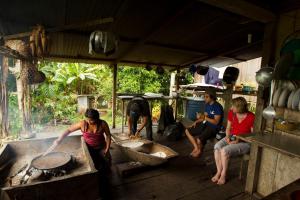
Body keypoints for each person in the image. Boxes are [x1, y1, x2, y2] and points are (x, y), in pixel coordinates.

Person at [52, 108, 111, 199]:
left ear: (97, 118)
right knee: (93, 166)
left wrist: (107, 149)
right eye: (88, 119)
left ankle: (106, 182)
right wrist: (59, 140)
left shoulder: (103, 124)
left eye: (92, 120)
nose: (89, 122)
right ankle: (95, 186)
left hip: (101, 147)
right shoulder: (82, 123)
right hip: (89, 148)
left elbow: (108, 135)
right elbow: (68, 130)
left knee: (107, 163)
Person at [212, 97, 255, 185]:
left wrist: (239, 139)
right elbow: (228, 128)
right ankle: (219, 171)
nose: (231, 108)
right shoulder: (232, 113)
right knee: (217, 147)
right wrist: (227, 137)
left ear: (239, 107)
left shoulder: (251, 117)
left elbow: (252, 136)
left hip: (245, 142)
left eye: (233, 106)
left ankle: (223, 175)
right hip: (232, 136)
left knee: (224, 151)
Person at [185, 88, 223, 157]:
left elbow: (216, 122)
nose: (204, 98)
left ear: (212, 97)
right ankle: (196, 148)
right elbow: (204, 117)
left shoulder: (217, 107)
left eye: (206, 97)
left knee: (199, 139)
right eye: (204, 96)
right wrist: (196, 121)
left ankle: (199, 151)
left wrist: (204, 117)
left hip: (214, 127)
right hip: (206, 124)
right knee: (187, 131)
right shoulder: (207, 105)